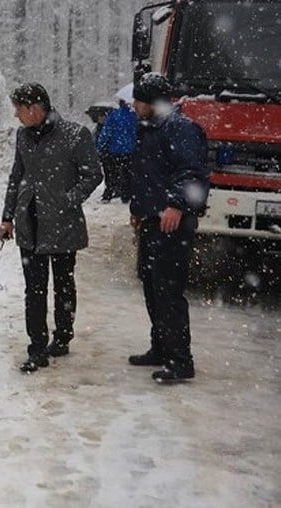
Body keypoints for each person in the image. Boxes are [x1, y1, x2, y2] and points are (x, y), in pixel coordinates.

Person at [0, 83, 103, 373]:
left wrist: (69, 200)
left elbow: (94, 174)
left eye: (19, 109)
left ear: (34, 108)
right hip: (29, 223)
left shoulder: (74, 135)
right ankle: (37, 348)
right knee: (34, 289)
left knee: (63, 284)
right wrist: (8, 216)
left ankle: (63, 335)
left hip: (62, 224)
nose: (16, 115)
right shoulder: (23, 136)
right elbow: (16, 176)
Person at [127, 72, 209, 382]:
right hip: (152, 220)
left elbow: (192, 172)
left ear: (152, 102)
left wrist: (176, 204)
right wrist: (138, 209)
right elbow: (146, 174)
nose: (134, 105)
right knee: (152, 287)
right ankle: (160, 347)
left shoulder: (180, 129)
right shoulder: (150, 128)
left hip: (172, 222)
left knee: (168, 291)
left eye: (138, 100)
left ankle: (180, 359)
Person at [97, 99, 137, 203]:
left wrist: (100, 146)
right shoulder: (133, 115)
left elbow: (106, 132)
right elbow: (137, 132)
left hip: (115, 150)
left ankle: (109, 193)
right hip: (130, 151)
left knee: (112, 173)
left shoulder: (114, 115)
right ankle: (126, 194)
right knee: (127, 173)